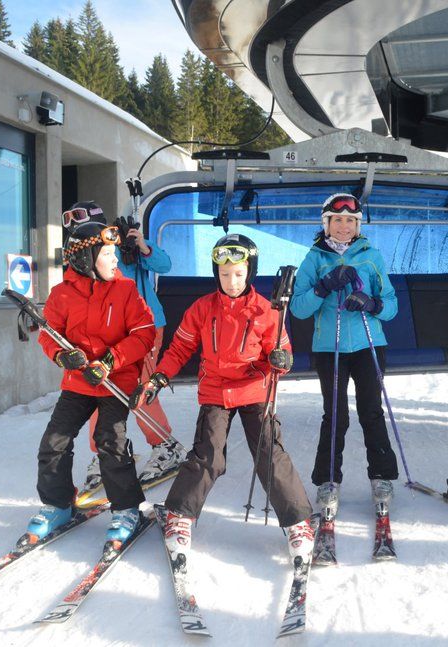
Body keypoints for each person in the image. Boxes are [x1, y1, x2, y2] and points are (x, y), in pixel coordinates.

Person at [130, 233, 314, 563]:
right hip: (216, 390)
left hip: (255, 388)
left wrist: (281, 361)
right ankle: (180, 515)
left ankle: (298, 522)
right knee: (208, 455)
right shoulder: (202, 308)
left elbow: (282, 351)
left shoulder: (267, 310)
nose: (231, 281)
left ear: (250, 272)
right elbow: (181, 348)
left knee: (269, 453)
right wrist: (160, 376)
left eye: (239, 274)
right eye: (225, 274)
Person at [27, 221, 155, 544]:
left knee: (109, 441)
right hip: (79, 381)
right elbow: (49, 335)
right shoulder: (62, 295)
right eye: (108, 253)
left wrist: (112, 361)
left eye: (114, 253)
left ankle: (126, 508)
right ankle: (58, 503)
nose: (115, 260)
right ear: (86, 259)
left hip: (116, 380)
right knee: (54, 441)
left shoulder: (125, 290)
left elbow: (144, 333)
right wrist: (61, 357)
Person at [289, 192, 399, 519]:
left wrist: (372, 304)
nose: (343, 225)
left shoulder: (371, 256)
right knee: (335, 414)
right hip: (330, 347)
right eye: (337, 219)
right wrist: (323, 287)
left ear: (357, 224)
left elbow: (390, 305)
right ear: (326, 223)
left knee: (371, 411)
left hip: (369, 343)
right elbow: (298, 308)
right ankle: (327, 479)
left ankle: (381, 476)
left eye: (350, 220)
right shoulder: (314, 258)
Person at [112, 215, 183, 484]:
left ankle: (165, 445)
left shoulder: (131, 248)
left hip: (147, 326)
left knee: (140, 388)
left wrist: (142, 246)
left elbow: (164, 264)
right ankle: (106, 451)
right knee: (103, 389)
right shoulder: (98, 254)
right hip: (112, 331)